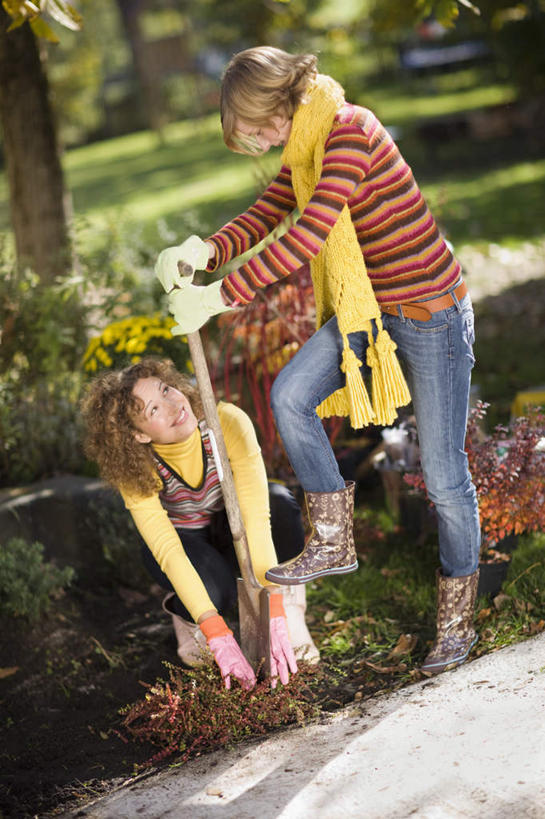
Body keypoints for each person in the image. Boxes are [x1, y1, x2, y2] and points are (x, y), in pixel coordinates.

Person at [154, 46, 481, 676]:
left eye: (256, 127)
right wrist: (206, 250)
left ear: (278, 101)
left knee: (443, 476)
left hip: (431, 314)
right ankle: (332, 538)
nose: (259, 140)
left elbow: (309, 234)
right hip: (370, 314)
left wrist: (221, 296)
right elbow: (273, 211)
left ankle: (458, 619)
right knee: (290, 395)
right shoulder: (304, 145)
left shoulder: (349, 131)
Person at [81, 356, 319, 691]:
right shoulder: (135, 468)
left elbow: (256, 517)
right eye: (153, 410)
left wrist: (274, 603)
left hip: (231, 529)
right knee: (212, 590)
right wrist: (216, 631)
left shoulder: (227, 422)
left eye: (166, 390)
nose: (172, 405)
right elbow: (167, 549)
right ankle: (190, 618)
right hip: (186, 544)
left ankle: (290, 612)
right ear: (137, 435)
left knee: (279, 503)